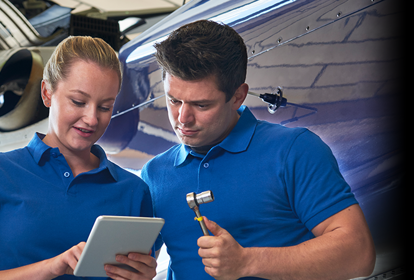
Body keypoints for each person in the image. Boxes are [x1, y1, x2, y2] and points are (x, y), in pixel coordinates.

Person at [141, 20, 376, 280]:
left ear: (238, 96)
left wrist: (247, 262)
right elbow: (132, 263)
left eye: (202, 105)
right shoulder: (153, 174)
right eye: (174, 100)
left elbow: (358, 253)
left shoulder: (294, 151)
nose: (182, 118)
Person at [0, 36, 157, 280]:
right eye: (78, 101)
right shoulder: (4, 172)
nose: (92, 119)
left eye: (105, 107)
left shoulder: (133, 192)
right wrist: (53, 267)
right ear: (47, 93)